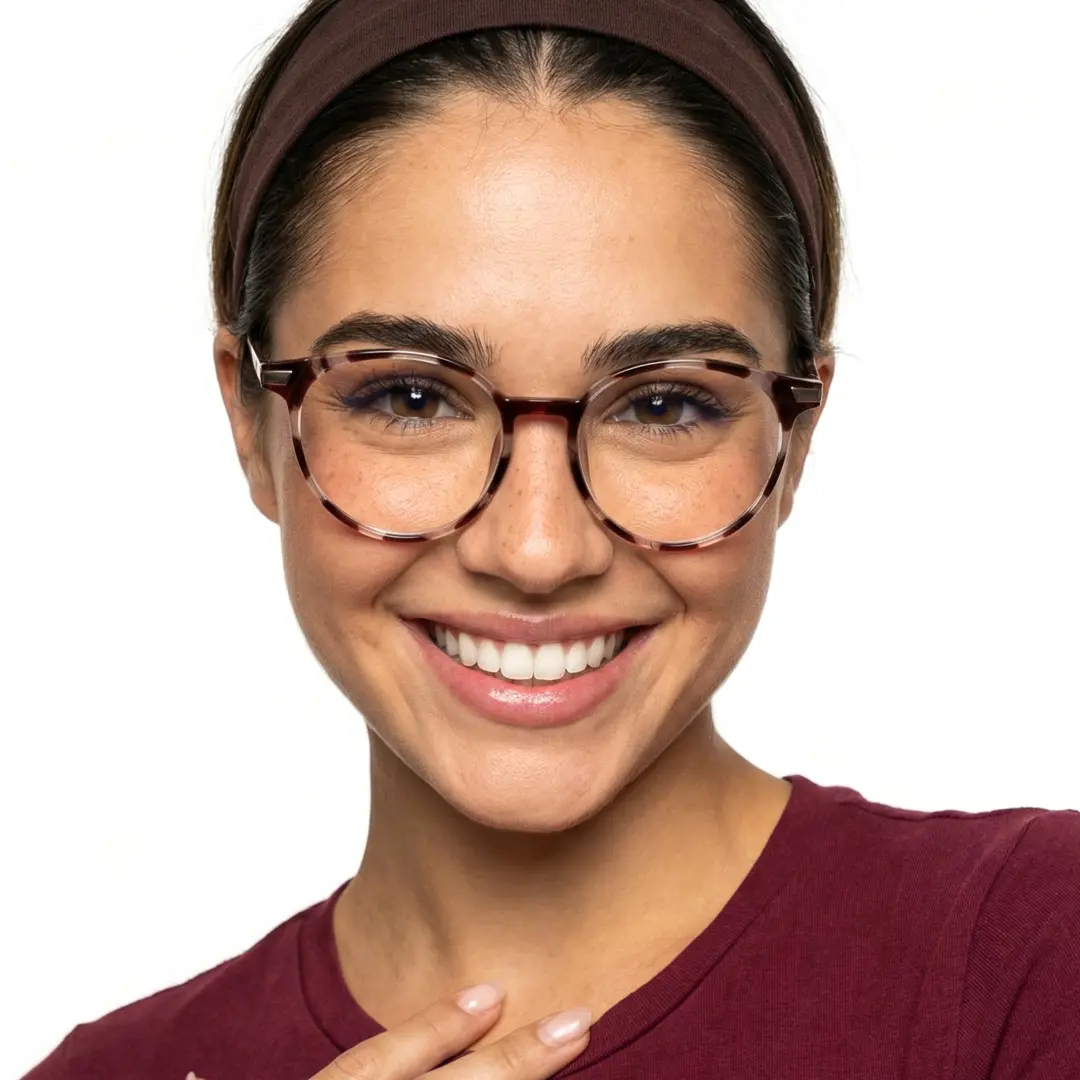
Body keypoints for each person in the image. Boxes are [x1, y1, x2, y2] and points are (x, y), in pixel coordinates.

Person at [22, 1, 1080, 1078]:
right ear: (251, 423)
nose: (537, 550)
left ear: (795, 437)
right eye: (409, 397)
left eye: (664, 406)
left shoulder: (1037, 958)